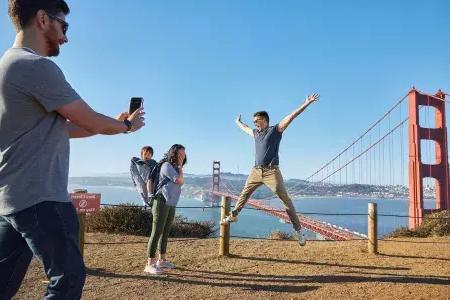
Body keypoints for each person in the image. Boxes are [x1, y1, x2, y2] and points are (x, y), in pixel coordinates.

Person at [0, 1, 145, 299]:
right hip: (41, 198)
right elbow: (87, 118)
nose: (66, 37)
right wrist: (127, 128)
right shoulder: (35, 66)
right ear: (42, 19)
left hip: (11, 199)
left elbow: (68, 128)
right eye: (63, 26)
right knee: (68, 278)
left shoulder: (7, 66)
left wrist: (113, 125)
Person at [221, 94, 320, 246]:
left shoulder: (275, 130)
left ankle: (299, 230)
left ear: (265, 120)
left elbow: (291, 116)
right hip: (256, 171)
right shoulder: (255, 133)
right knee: (244, 194)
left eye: (257, 121)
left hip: (271, 172)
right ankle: (234, 215)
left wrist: (306, 103)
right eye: (254, 122)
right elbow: (245, 129)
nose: (255, 124)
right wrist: (237, 122)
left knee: (285, 200)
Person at [144, 144, 186, 275]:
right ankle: (149, 264)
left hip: (171, 203)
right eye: (180, 153)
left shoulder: (175, 167)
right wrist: (180, 164)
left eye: (184, 154)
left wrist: (179, 165)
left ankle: (161, 260)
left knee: (165, 232)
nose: (183, 156)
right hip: (161, 201)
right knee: (156, 232)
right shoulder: (167, 166)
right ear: (174, 154)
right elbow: (179, 180)